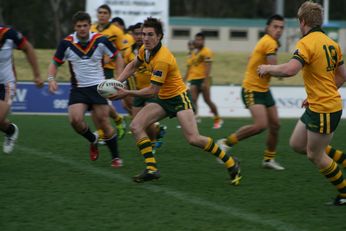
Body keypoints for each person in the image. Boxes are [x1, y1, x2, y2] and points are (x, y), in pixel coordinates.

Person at [110, 17, 241, 184]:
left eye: (150, 35)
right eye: (143, 34)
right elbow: (133, 65)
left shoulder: (162, 59)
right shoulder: (145, 49)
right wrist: (117, 82)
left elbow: (152, 91)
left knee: (194, 139)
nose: (146, 38)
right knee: (136, 126)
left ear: (159, 37)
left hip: (179, 98)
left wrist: (126, 92)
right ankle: (151, 169)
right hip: (163, 99)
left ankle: (231, 162)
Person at [257, 1, 346, 205]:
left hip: (324, 109)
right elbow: (342, 76)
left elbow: (290, 70)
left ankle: (345, 192)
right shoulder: (332, 43)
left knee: (315, 156)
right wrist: (319, 93)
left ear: (303, 21)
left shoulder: (306, 43)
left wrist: (267, 69)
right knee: (297, 144)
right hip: (318, 105)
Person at [47, 11, 124, 168]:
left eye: (85, 25)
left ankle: (115, 157)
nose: (82, 29)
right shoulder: (66, 43)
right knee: (75, 120)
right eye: (78, 26)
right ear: (74, 27)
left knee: (103, 122)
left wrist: (119, 78)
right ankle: (93, 139)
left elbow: (118, 57)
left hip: (99, 87)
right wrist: (51, 79)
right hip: (79, 89)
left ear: (90, 25)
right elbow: (54, 63)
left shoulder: (101, 40)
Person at [217, 14, 285, 170]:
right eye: (275, 26)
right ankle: (226, 143)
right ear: (267, 27)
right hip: (252, 89)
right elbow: (274, 69)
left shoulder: (267, 42)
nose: (279, 30)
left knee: (275, 125)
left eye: (281, 27)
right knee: (261, 125)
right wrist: (292, 68)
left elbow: (253, 58)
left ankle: (268, 159)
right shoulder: (269, 42)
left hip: (263, 89)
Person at [0, 25, 44, 154]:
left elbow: (28, 49)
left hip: (7, 84)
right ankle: (10, 130)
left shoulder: (9, 34)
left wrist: (37, 75)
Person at [91, 4, 126, 140]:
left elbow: (120, 54)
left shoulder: (116, 31)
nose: (102, 15)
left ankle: (112, 124)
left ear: (109, 16)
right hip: (92, 70)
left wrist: (119, 76)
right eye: (100, 12)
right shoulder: (91, 29)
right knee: (94, 105)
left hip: (108, 71)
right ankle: (105, 129)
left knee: (101, 103)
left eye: (105, 13)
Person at [184, 32, 222, 129]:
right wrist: (184, 80)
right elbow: (189, 68)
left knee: (207, 100)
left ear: (203, 41)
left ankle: (217, 118)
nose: (198, 41)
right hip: (194, 79)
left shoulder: (206, 52)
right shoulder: (192, 54)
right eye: (196, 39)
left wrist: (205, 81)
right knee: (192, 100)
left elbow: (208, 66)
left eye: (200, 39)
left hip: (203, 79)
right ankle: (194, 119)